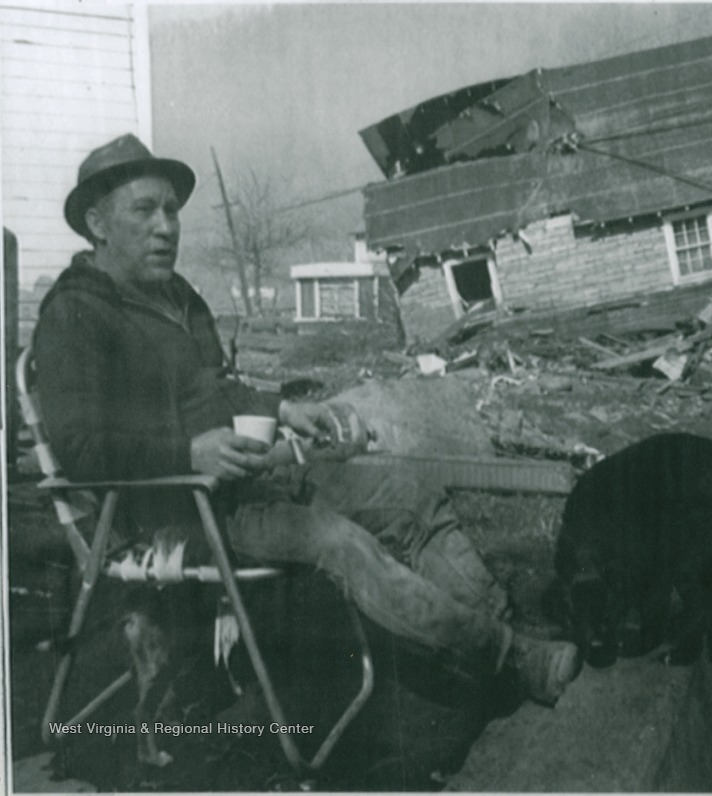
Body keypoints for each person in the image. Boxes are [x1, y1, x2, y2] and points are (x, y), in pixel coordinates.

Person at [32, 133, 580, 706]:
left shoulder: (181, 298)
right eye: (144, 210)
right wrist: (186, 456)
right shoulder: (76, 315)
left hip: (243, 485)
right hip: (168, 516)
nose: (166, 226)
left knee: (409, 493)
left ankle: (504, 625)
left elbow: (217, 391)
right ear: (97, 222)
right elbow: (78, 448)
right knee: (337, 540)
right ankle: (506, 657)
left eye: (171, 209)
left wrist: (282, 408)